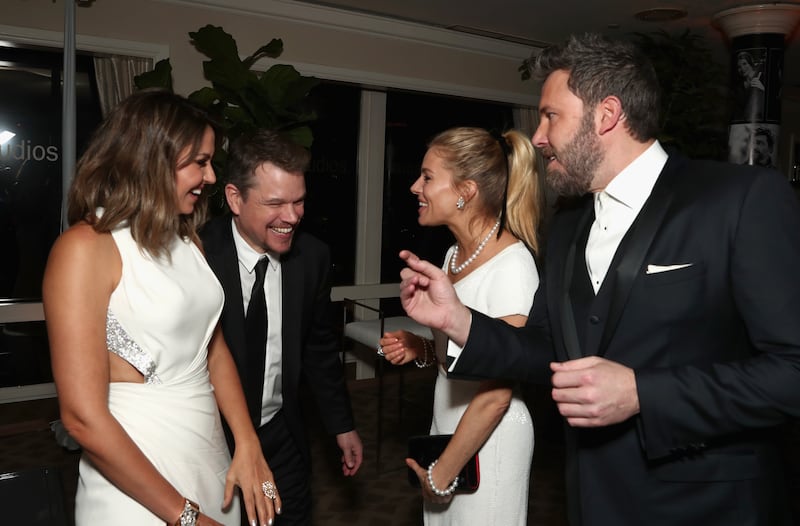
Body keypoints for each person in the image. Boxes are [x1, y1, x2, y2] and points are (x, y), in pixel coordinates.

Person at [398, 33, 800, 526]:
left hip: (707, 506)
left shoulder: (739, 200)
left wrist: (643, 394)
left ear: (606, 115)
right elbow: (545, 347)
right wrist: (462, 322)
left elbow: (792, 371)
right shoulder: (567, 224)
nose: (538, 137)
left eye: (551, 116)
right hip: (590, 499)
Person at [42, 89, 280, 526]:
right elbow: (81, 418)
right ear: (150, 158)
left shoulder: (186, 238)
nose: (210, 177)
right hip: (136, 479)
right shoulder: (84, 248)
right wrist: (186, 518)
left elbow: (214, 349)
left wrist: (247, 443)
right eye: (200, 162)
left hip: (209, 457)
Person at [378, 127, 542, 525]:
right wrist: (424, 348)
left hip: (491, 435)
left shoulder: (513, 267)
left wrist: (443, 472)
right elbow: (467, 353)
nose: (416, 186)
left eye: (428, 177)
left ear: (465, 191)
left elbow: (496, 392)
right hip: (449, 422)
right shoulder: (454, 256)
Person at [200, 128, 363, 525]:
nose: (292, 217)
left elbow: (319, 350)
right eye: (275, 203)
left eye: (299, 201)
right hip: (211, 441)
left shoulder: (312, 258)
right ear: (235, 198)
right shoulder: (197, 252)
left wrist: (342, 426)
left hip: (279, 437)